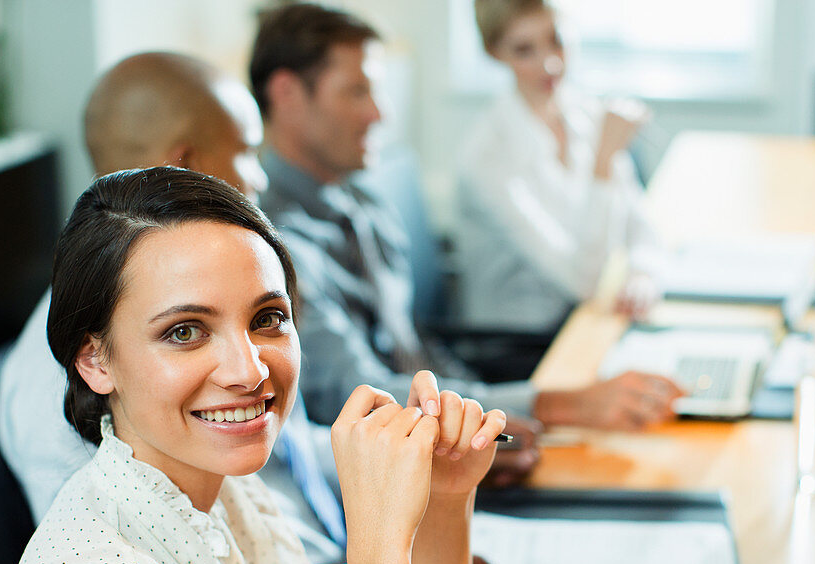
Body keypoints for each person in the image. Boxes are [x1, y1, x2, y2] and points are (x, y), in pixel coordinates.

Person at [0, 167, 498, 564]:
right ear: (96, 361)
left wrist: (446, 498)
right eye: (185, 331)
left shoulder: (223, 495)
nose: (249, 369)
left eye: (267, 319)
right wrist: (378, 549)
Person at [0, 52, 532, 564]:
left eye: (268, 320)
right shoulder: (70, 378)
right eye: (248, 150)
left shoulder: (228, 323)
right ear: (187, 166)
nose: (263, 176)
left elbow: (285, 462)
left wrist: (412, 457)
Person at [250, 3, 681, 435]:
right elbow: (361, 394)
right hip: (396, 461)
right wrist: (554, 406)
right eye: (357, 92)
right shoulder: (272, 250)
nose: (381, 114)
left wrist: (491, 410)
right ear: (286, 94)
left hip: (452, 423)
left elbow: (416, 353)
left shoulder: (363, 201)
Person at [456, 0, 666, 334]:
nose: (551, 64)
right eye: (525, 50)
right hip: (524, 341)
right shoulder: (486, 157)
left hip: (584, 319)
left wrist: (643, 273)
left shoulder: (584, 111)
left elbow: (639, 222)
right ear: (495, 52)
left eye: (557, 40)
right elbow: (584, 282)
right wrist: (603, 161)